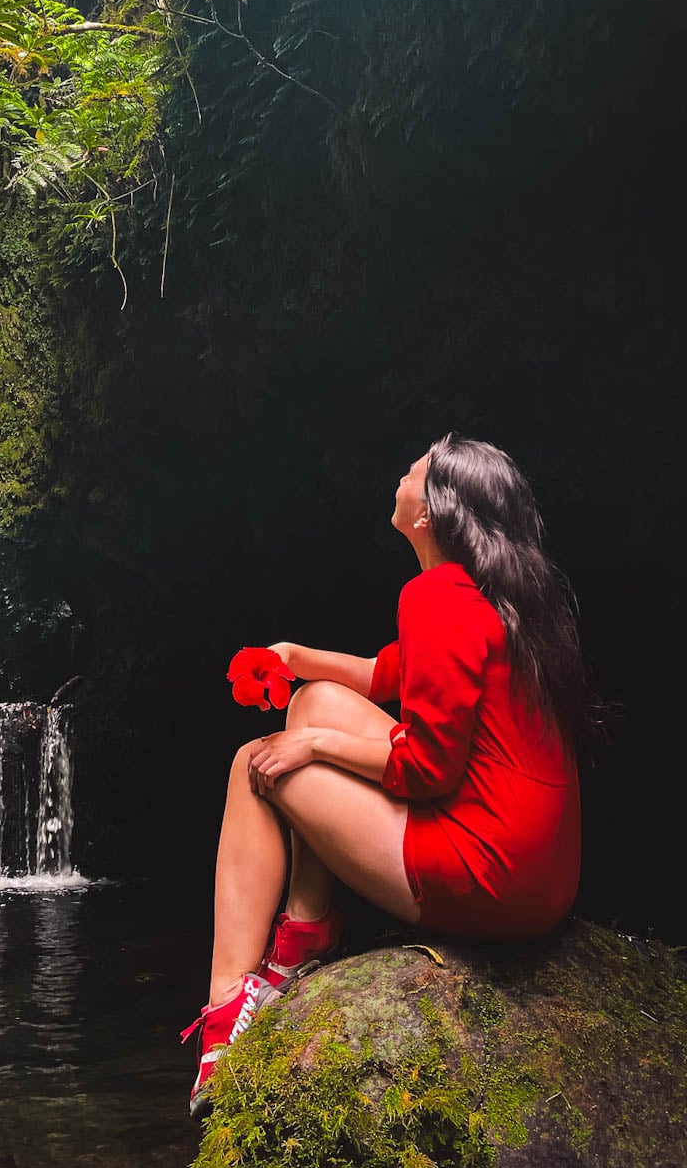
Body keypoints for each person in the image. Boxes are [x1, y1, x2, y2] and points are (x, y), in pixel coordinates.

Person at [182, 433, 591, 1117]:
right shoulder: (485, 595)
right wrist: (294, 657)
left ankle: (228, 1007)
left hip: (487, 876)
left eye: (415, 467)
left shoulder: (437, 597)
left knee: (255, 762)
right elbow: (385, 677)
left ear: (430, 511)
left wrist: (314, 746)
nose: (402, 471)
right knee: (311, 702)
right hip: (540, 878)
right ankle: (302, 937)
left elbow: (427, 771)